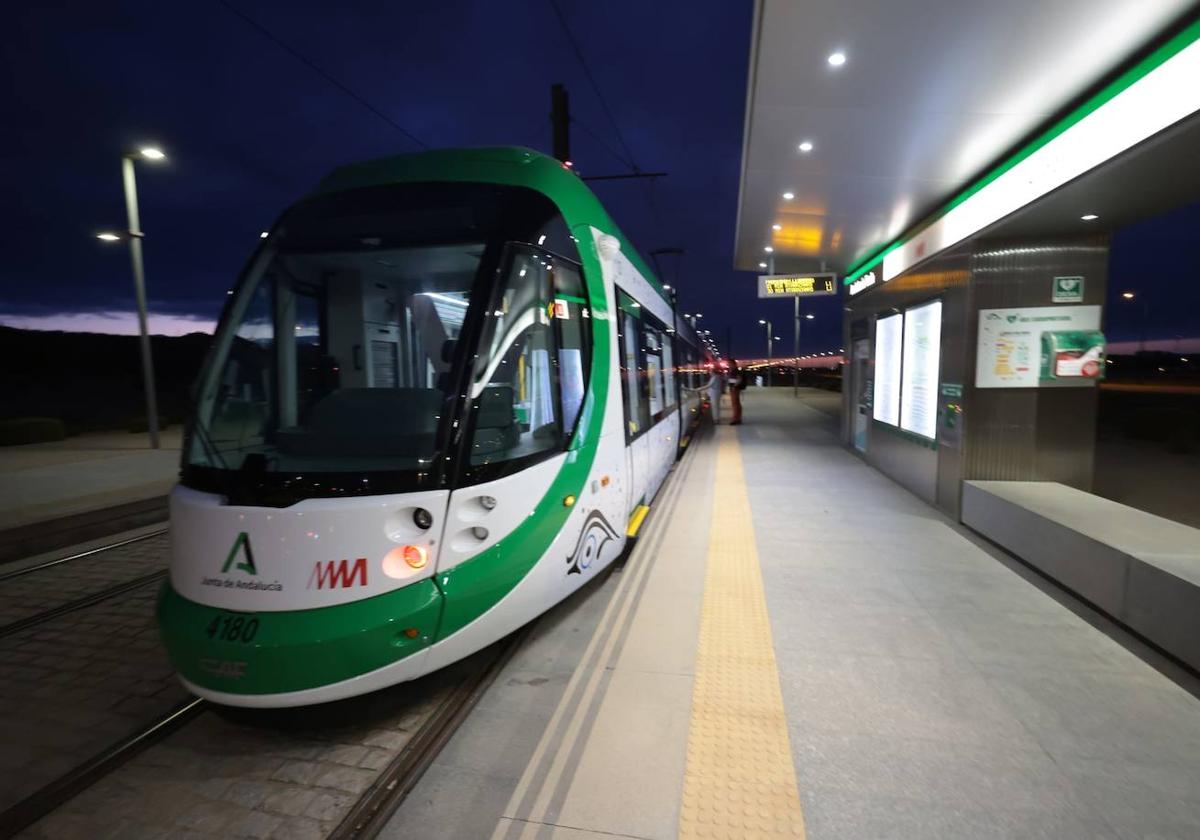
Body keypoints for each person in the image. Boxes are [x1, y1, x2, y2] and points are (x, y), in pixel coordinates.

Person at [727, 359, 745, 425]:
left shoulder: (735, 370)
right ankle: (738, 418)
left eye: (729, 363)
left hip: (734, 389)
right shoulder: (734, 370)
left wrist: (734, 386)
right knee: (737, 403)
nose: (728, 365)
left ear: (733, 364)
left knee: (735, 404)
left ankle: (735, 419)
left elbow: (739, 379)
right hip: (735, 388)